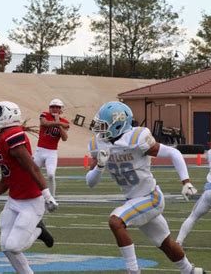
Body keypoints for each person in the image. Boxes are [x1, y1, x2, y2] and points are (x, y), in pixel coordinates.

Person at [86, 101, 204, 274]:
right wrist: (99, 167)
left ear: (119, 124)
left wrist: (186, 182)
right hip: (134, 200)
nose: (100, 129)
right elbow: (90, 182)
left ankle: (133, 271)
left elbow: (173, 152)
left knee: (116, 221)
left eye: (104, 125)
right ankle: (191, 271)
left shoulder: (136, 139)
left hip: (151, 198)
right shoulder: (99, 145)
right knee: (167, 245)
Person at [0, 101, 58, 274]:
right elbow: (7, 179)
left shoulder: (13, 135)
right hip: (14, 200)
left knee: (13, 246)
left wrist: (47, 195)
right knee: (5, 247)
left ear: (5, 117)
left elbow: (32, 167)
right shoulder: (0, 141)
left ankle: (38, 229)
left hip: (31, 201)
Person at [33, 99, 69, 197]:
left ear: (61, 109)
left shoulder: (65, 121)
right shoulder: (44, 115)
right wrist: (59, 123)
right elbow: (45, 123)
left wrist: (59, 124)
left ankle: (51, 198)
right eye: (53, 107)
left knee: (51, 175)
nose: (54, 109)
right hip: (40, 150)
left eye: (57, 107)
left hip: (51, 152)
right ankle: (28, 194)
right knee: (30, 173)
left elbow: (64, 138)